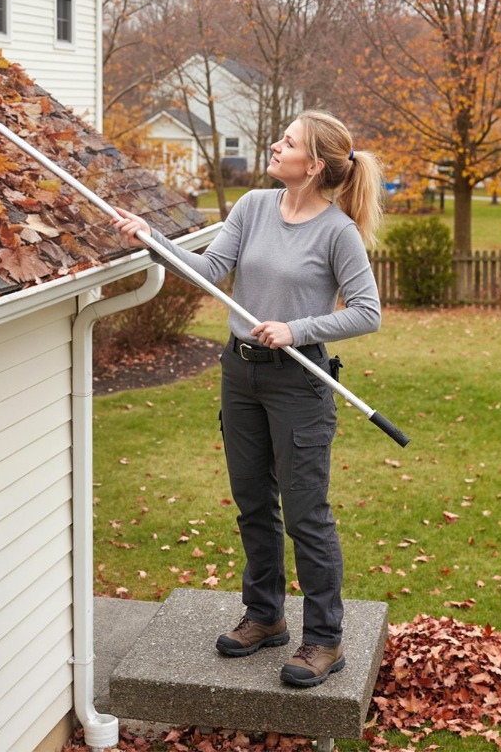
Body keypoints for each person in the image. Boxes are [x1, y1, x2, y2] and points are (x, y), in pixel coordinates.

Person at [112, 109, 383, 688]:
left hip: (298, 382)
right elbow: (211, 268)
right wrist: (153, 241)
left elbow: (367, 312)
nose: (276, 146)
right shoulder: (254, 206)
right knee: (254, 502)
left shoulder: (337, 232)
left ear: (314, 165)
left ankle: (325, 639)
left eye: (288, 142)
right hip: (240, 374)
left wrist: (296, 329)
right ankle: (265, 615)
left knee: (306, 514)